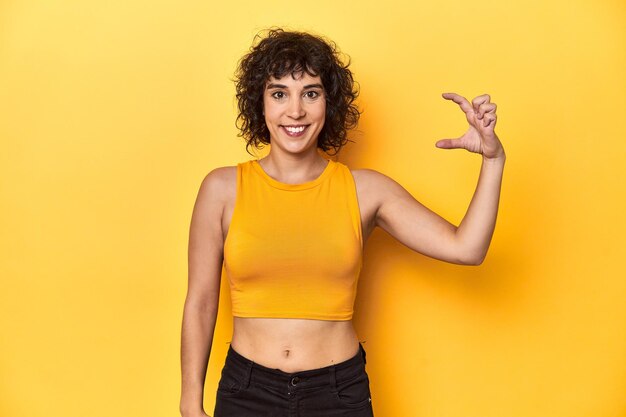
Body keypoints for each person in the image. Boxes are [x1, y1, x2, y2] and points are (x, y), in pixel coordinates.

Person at [179, 28, 505, 417]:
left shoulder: (366, 191)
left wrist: (493, 160)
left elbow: (466, 248)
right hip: (246, 392)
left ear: (328, 103)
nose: (295, 111)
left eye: (311, 93)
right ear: (260, 104)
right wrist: (189, 403)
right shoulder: (222, 189)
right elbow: (199, 303)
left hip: (337, 395)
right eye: (279, 93)